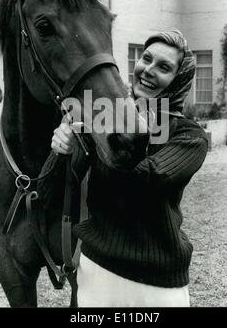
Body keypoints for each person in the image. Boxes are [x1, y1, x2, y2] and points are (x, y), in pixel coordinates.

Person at [51, 29, 208, 307]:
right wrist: (65, 142)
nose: (148, 70)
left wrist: (104, 135)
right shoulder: (109, 120)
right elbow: (74, 176)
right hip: (96, 269)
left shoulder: (190, 136)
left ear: (178, 80)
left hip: (157, 284)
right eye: (146, 58)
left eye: (164, 67)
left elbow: (148, 179)